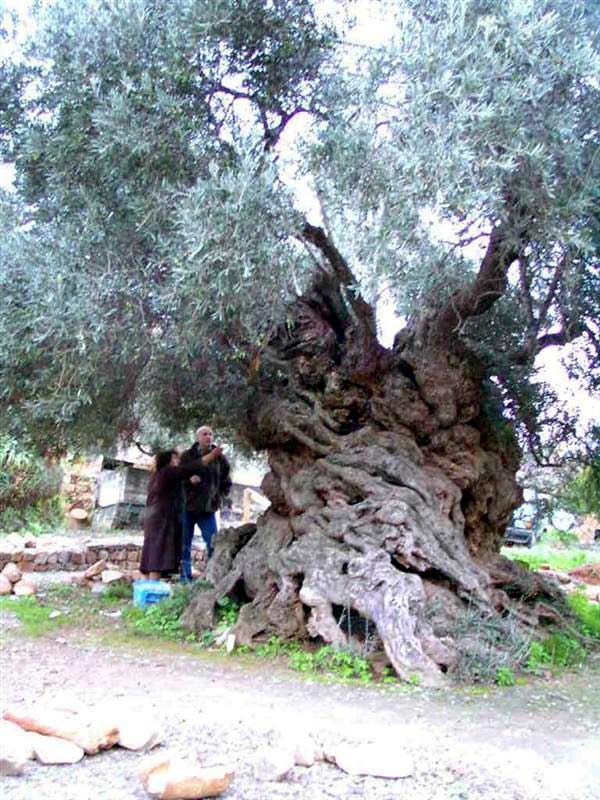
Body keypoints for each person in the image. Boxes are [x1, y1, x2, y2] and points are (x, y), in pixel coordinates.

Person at [140, 448, 222, 580]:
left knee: (150, 552)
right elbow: (190, 468)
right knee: (157, 554)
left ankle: (144, 587)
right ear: (167, 461)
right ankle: (152, 587)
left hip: (153, 518)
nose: (178, 460)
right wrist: (212, 455)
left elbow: (175, 483)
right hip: (162, 518)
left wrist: (189, 481)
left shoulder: (158, 475)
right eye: (175, 458)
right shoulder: (168, 471)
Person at [180, 426, 231, 580]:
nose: (208, 436)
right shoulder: (187, 456)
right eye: (205, 434)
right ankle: (185, 578)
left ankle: (211, 577)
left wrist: (219, 497)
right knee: (184, 544)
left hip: (208, 509)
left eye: (210, 434)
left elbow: (226, 481)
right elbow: (179, 476)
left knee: (213, 543)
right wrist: (189, 481)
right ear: (198, 437)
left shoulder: (220, 458)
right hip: (187, 507)